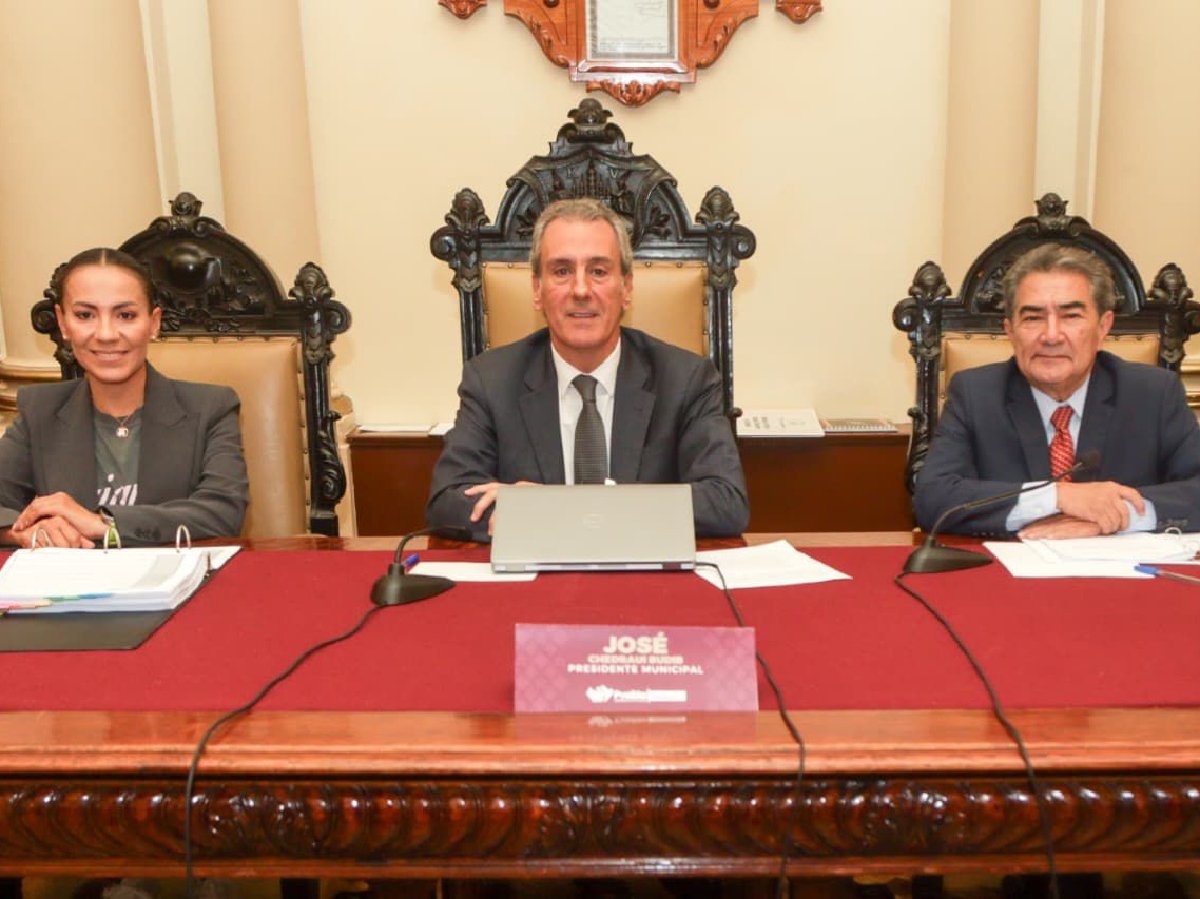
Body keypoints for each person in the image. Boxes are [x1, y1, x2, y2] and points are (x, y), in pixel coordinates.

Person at [427, 197, 749, 541]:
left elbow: (725, 502)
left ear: (626, 288)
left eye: (598, 271)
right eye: (562, 271)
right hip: (539, 571)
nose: (581, 290)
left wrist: (558, 508)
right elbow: (448, 500)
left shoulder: (686, 379)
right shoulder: (491, 380)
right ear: (537, 289)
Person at [913, 242, 1200, 538]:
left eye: (1071, 316)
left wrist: (1115, 514)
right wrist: (1057, 497)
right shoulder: (976, 394)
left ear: (1103, 326)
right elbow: (933, 498)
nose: (1051, 336)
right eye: (1033, 318)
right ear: (1010, 331)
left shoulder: (1153, 394)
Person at [0, 247, 248, 547]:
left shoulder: (210, 408)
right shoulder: (40, 410)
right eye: (85, 315)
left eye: (125, 315)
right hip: (74, 578)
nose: (106, 334)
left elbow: (223, 512)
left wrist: (104, 524)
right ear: (63, 324)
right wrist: (20, 532)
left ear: (154, 323)